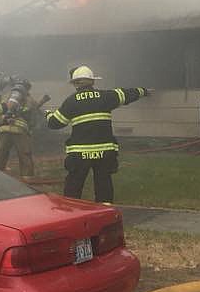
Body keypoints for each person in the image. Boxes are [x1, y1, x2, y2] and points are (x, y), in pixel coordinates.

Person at [46, 65, 150, 203]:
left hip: (80, 153)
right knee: (103, 182)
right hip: (104, 151)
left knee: (74, 184)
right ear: (93, 82)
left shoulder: (71, 101)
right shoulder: (106, 97)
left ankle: (71, 210)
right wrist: (144, 91)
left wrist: (48, 115)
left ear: (75, 83)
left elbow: (55, 123)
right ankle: (105, 210)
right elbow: (127, 94)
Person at [0, 82, 49, 178]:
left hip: (3, 130)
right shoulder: (29, 99)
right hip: (20, 131)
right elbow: (33, 117)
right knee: (25, 156)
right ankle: (28, 180)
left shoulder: (5, 97)